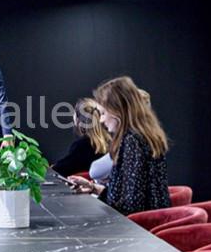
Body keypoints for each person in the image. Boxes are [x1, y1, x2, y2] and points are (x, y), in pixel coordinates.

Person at [67, 76, 171, 214]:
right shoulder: (143, 136)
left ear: (118, 111)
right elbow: (127, 198)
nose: (101, 120)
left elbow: (130, 208)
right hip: (148, 224)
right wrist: (92, 187)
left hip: (137, 229)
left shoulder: (132, 141)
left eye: (103, 113)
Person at [51, 97, 111, 177]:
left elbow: (60, 170)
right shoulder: (110, 142)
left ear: (78, 119)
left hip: (85, 189)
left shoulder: (82, 146)